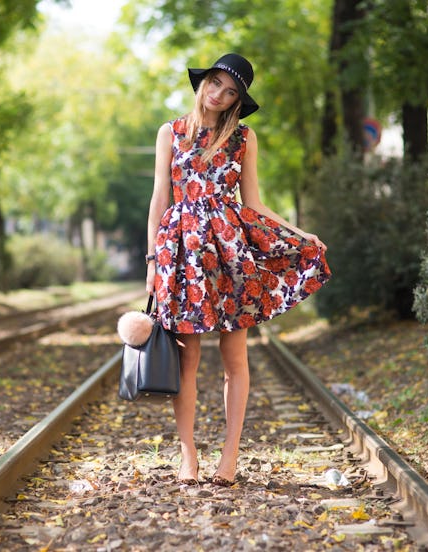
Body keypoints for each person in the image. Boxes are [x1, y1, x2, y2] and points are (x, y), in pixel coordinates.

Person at [144, 53, 332, 487]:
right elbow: (159, 200)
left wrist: (301, 235)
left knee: (234, 358)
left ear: (237, 101)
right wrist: (152, 261)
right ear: (203, 82)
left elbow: (254, 203)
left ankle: (229, 457)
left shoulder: (243, 138)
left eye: (231, 93)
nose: (220, 95)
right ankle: (187, 456)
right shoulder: (170, 133)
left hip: (231, 254)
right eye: (216, 84)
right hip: (183, 253)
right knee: (186, 358)